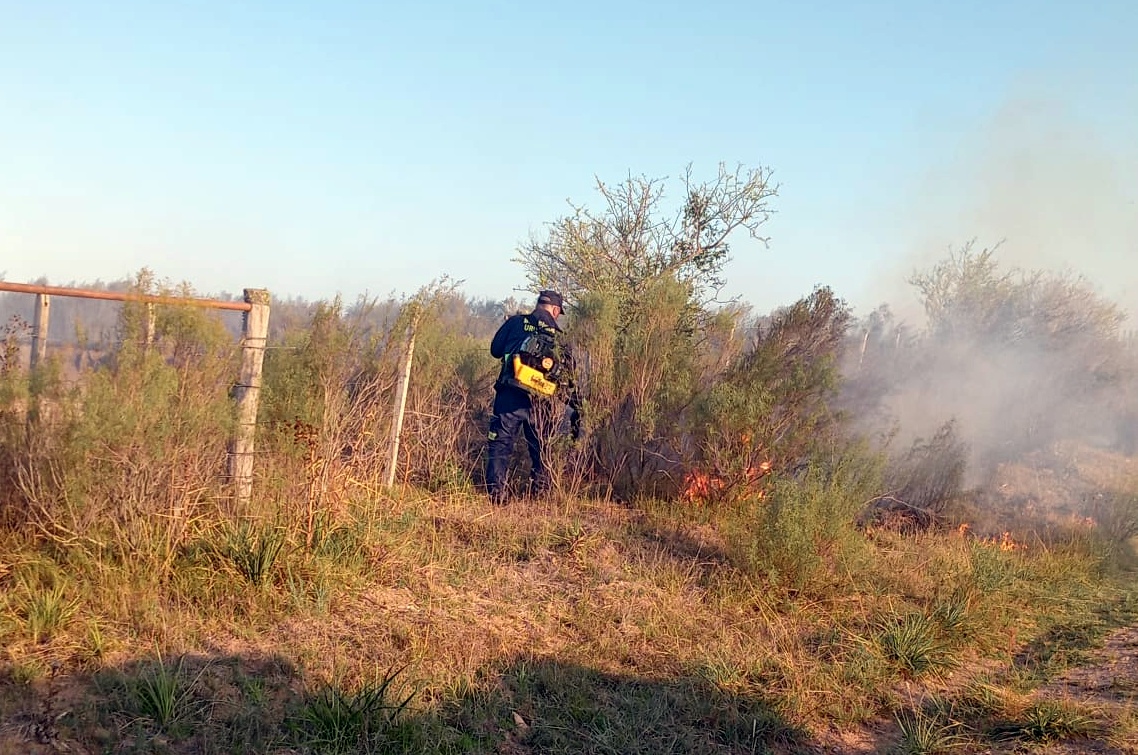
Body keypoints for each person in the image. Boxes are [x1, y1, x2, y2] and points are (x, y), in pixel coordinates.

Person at [485, 290, 568, 504]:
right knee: (542, 450)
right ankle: (538, 498)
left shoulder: (516, 322)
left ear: (538, 305)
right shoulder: (560, 338)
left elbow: (495, 350)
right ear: (556, 311)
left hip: (510, 394)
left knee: (500, 445)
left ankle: (497, 497)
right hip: (542, 403)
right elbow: (568, 375)